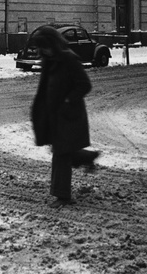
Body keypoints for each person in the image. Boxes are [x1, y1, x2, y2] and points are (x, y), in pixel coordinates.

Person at [29, 26, 99, 207]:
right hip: (53, 115)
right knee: (62, 149)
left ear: (53, 44)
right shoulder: (49, 61)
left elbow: (84, 85)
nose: (43, 51)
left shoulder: (68, 59)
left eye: (45, 46)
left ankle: (63, 196)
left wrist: (68, 100)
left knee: (60, 153)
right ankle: (84, 157)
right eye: (40, 47)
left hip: (68, 116)